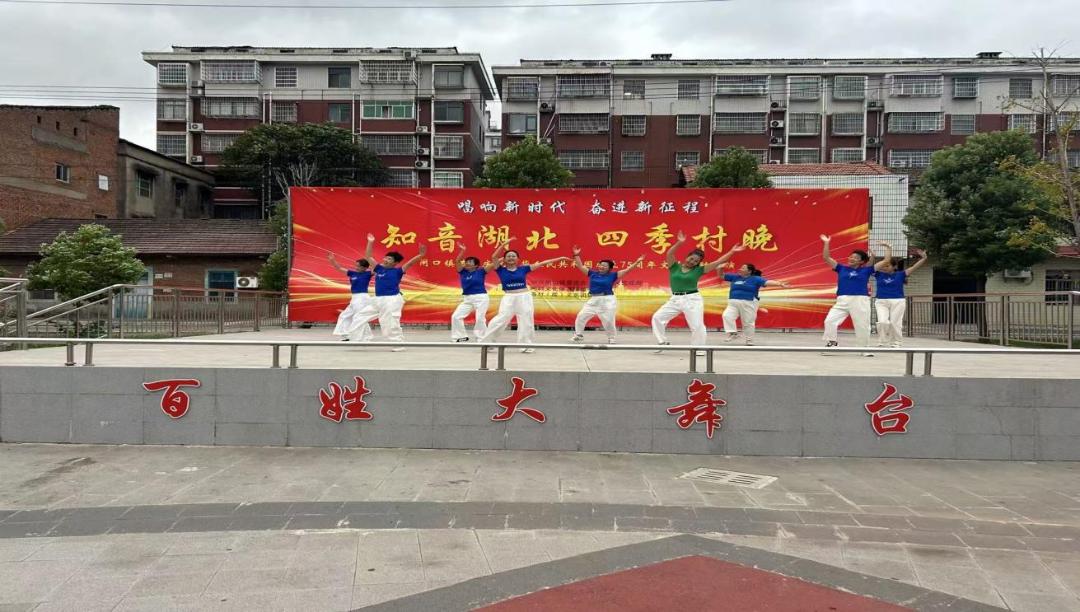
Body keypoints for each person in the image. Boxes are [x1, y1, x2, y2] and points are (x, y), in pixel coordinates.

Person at [651, 232, 745, 352]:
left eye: (695, 261)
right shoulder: (674, 267)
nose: (692, 262)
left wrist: (732, 251)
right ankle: (662, 342)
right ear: (687, 257)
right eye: (691, 259)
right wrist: (680, 242)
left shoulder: (699, 270)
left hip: (692, 299)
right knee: (657, 317)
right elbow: (670, 253)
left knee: (697, 325)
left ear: (698, 263)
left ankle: (698, 349)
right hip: (675, 299)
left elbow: (717, 262)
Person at [477, 239, 569, 353]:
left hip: (524, 297)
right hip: (509, 297)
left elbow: (543, 263)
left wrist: (560, 258)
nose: (511, 258)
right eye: (508, 256)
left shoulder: (523, 269)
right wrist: (504, 244)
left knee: (526, 321)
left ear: (518, 259)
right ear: (504, 259)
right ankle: (488, 343)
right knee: (500, 320)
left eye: (513, 256)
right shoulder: (500, 269)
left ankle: (525, 345)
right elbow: (494, 257)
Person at [350, 233, 426, 352]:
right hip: (377, 300)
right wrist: (370, 241)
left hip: (391, 300)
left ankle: (399, 344)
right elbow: (368, 256)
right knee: (360, 316)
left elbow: (410, 263)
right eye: (385, 257)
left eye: (389, 259)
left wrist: (420, 255)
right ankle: (362, 339)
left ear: (395, 263)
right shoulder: (379, 269)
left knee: (390, 323)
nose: (385, 260)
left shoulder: (398, 271)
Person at [569, 248, 645, 344]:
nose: (601, 266)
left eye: (604, 265)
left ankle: (611, 337)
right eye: (600, 265)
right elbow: (580, 265)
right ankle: (578, 335)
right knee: (581, 316)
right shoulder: (592, 274)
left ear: (609, 268)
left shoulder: (613, 275)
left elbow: (628, 270)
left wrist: (638, 261)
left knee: (608, 320)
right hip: (593, 299)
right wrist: (576, 255)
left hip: (607, 300)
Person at [820, 234, 875, 356]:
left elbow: (884, 261)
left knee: (862, 325)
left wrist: (882, 252)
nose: (851, 258)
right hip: (842, 300)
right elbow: (826, 257)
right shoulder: (841, 268)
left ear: (861, 261)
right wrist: (826, 243)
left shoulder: (865, 270)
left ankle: (864, 349)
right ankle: (832, 343)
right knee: (830, 321)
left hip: (860, 299)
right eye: (851, 256)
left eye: (855, 257)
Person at [872, 242, 928, 348]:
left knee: (895, 322)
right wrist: (875, 256)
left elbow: (914, 267)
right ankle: (882, 341)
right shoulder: (878, 274)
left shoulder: (901, 274)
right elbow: (870, 267)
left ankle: (896, 342)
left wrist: (923, 258)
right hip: (881, 301)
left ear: (894, 266)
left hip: (898, 301)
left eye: (887, 266)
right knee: (882, 321)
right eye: (883, 265)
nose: (884, 267)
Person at [720, 264, 790, 346]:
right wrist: (719, 268)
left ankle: (749, 339)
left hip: (749, 302)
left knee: (748, 322)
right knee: (727, 316)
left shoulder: (755, 279)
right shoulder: (735, 277)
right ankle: (733, 333)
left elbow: (767, 282)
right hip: (733, 303)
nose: (740, 269)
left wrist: (780, 284)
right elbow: (721, 275)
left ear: (749, 271)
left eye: (743, 268)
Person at [450, 243, 495, 343]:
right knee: (456, 316)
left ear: (476, 265)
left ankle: (482, 339)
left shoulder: (481, 271)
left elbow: (493, 264)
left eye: (470, 262)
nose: (467, 263)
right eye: (466, 261)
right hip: (467, 299)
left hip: (481, 298)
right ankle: (460, 336)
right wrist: (463, 250)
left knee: (480, 319)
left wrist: (503, 259)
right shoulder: (463, 272)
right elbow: (457, 261)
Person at [327, 253, 374, 343]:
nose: (356, 267)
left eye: (359, 266)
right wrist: (332, 260)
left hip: (362, 297)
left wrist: (370, 259)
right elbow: (339, 268)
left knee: (360, 317)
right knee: (345, 315)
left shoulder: (368, 274)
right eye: (356, 265)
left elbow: (376, 269)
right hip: (355, 298)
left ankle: (366, 337)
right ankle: (346, 335)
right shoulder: (352, 273)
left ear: (364, 268)